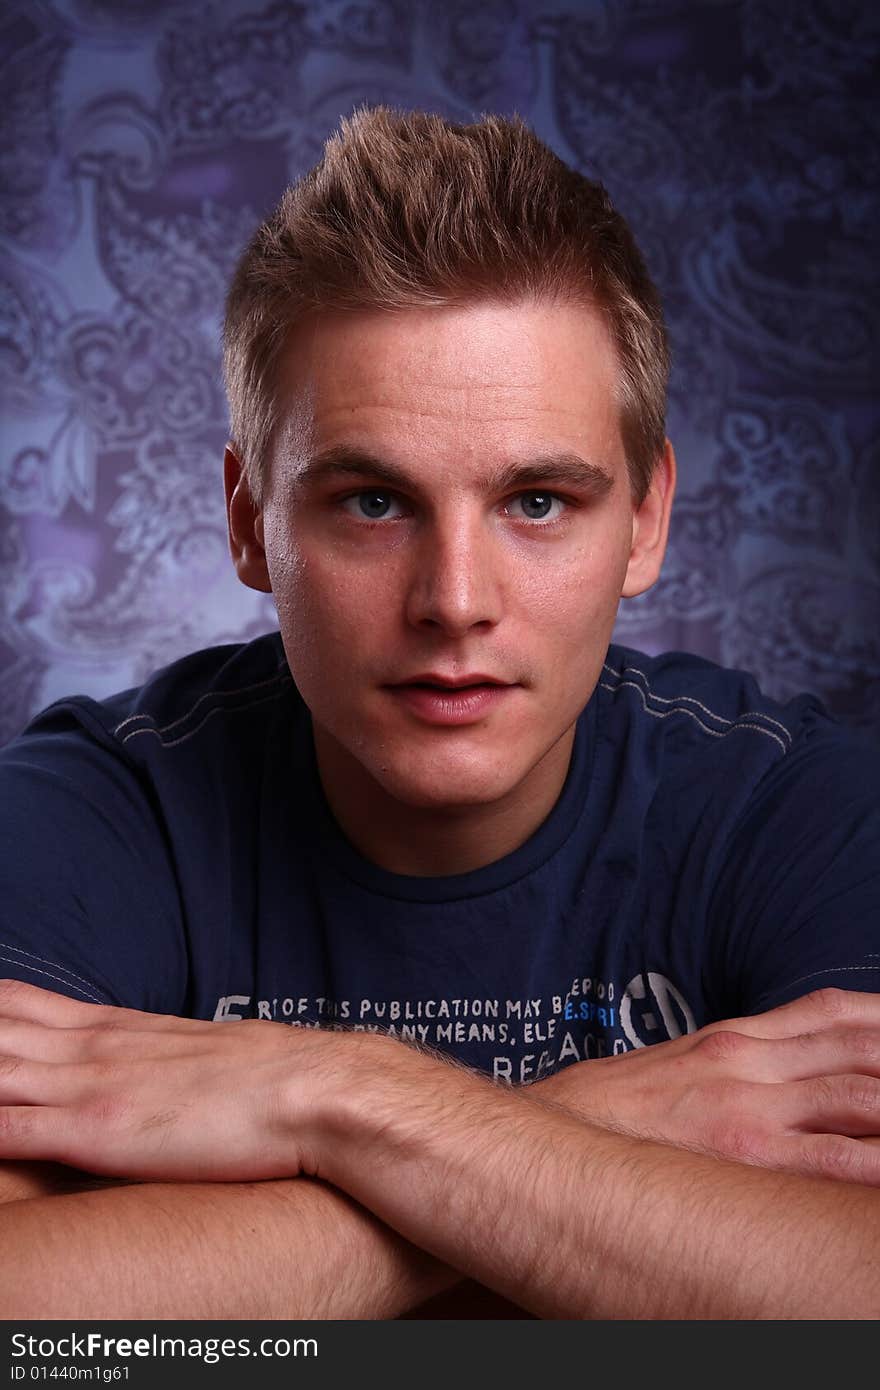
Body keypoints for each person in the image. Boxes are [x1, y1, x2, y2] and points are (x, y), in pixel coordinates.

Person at [0, 107, 878, 1321]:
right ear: (252, 518)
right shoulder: (99, 811)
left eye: (534, 500)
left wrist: (341, 1100)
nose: (454, 602)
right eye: (370, 501)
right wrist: (596, 1137)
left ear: (647, 518)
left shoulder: (797, 808)